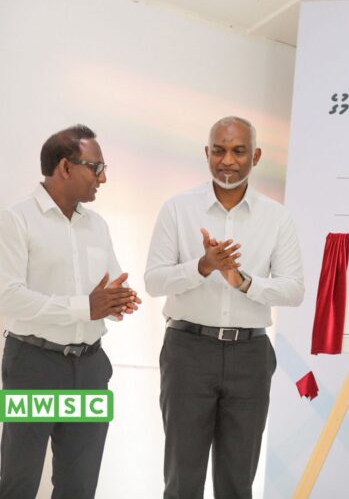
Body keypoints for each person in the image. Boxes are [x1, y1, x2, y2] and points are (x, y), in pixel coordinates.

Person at [145, 116, 304, 499]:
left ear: (256, 156)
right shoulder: (178, 209)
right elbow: (154, 281)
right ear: (207, 153)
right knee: (182, 477)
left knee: (237, 480)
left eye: (238, 151)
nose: (227, 160)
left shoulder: (277, 217)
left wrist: (243, 281)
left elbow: (293, 290)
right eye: (218, 151)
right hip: (188, 352)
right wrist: (202, 266)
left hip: (250, 355)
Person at [0, 124, 140, 499]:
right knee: (19, 484)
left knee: (79, 487)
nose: (103, 178)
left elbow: (108, 288)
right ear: (65, 166)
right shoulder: (17, 219)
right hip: (34, 367)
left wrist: (117, 302)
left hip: (90, 368)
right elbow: (8, 297)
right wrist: (85, 306)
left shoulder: (98, 225)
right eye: (96, 167)